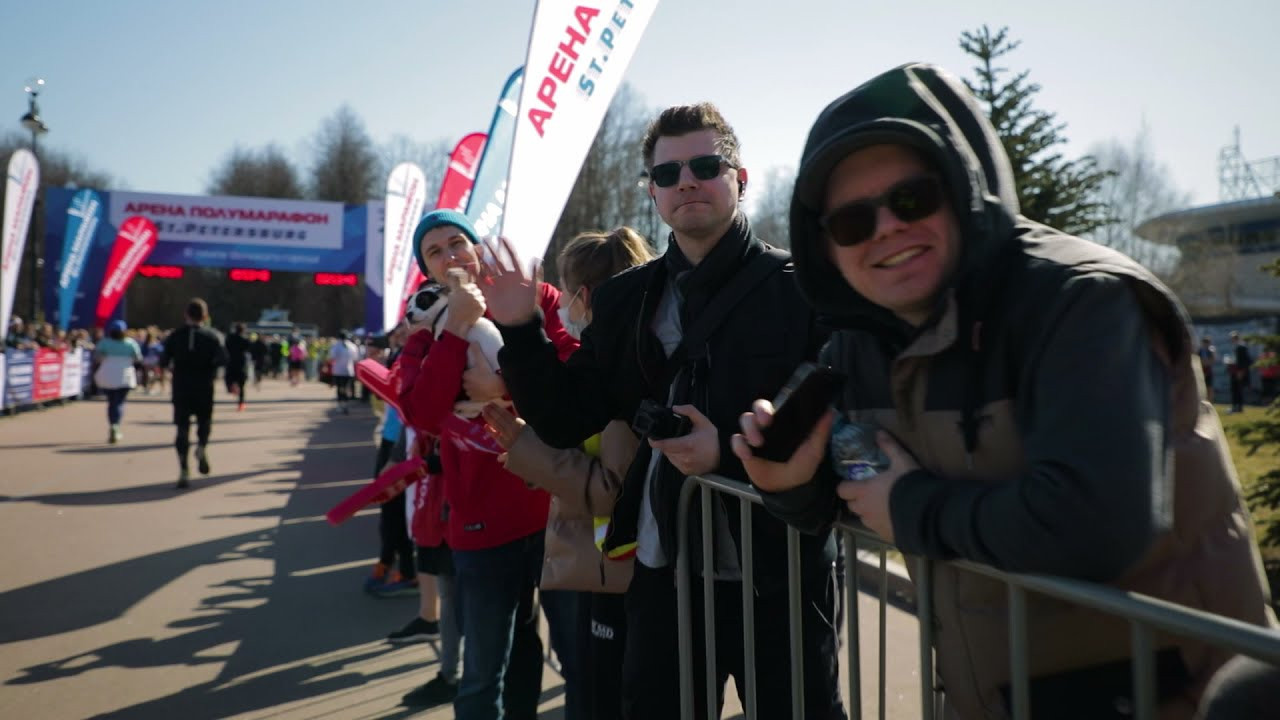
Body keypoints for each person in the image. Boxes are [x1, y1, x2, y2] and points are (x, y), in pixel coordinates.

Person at [733, 63, 1276, 719]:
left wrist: (909, 506)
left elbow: (1098, 523)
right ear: (825, 245)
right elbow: (863, 488)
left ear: (964, 191)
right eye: (852, 222)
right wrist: (791, 484)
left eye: (912, 199)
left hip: (1175, 695)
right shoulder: (858, 342)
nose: (886, 228)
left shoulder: (1081, 302)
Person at [480, 103, 844, 720]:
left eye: (706, 166)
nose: (687, 182)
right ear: (652, 192)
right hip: (665, 575)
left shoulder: (799, 286)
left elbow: (838, 420)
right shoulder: (625, 299)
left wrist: (725, 453)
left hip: (781, 574)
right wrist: (520, 328)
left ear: (740, 179)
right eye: (668, 173)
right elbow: (566, 418)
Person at [396, 209, 578, 719]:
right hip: (481, 523)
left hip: (556, 512)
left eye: (457, 242)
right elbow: (420, 413)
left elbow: (575, 370)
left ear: (477, 248)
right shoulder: (426, 331)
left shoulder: (532, 297)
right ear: (429, 271)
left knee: (569, 657)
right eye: (435, 252)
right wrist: (456, 327)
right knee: (483, 672)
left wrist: (506, 385)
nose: (450, 256)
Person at [481, 227, 652, 720]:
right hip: (600, 571)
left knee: (599, 698)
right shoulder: (602, 361)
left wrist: (527, 450)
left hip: (616, 576)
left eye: (567, 289)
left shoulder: (621, 371)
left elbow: (613, 492)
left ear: (586, 296)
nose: (563, 303)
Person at [161, 298, 228, 489]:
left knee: (182, 426)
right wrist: (210, 367)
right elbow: (223, 359)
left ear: (186, 315)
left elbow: (164, 360)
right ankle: (201, 446)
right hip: (204, 385)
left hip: (181, 385)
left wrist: (175, 365)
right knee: (204, 421)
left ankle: (183, 467)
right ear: (205, 316)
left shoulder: (175, 335)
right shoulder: (213, 336)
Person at [93, 319, 142, 444]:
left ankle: (113, 424)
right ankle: (116, 425)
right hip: (124, 375)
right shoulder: (130, 343)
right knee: (119, 402)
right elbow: (138, 358)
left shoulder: (104, 342)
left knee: (111, 402)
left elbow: (97, 357)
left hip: (108, 375)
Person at [327, 331, 358, 414]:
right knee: (346, 388)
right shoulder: (352, 346)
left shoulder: (336, 346)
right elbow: (355, 358)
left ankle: (340, 405)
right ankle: (346, 404)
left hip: (338, 371)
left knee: (340, 388)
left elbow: (332, 357)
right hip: (349, 371)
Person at [224, 323, 250, 411]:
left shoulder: (230, 338)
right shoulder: (245, 339)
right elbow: (248, 348)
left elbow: (225, 347)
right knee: (242, 385)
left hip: (231, 361)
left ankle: (232, 388)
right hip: (241, 363)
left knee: (229, 378)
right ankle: (241, 403)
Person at [1227, 330, 1252, 413]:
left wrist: (1241, 371)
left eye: (1233, 338)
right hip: (1233, 371)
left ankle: (1239, 407)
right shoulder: (1234, 347)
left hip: (1239, 372)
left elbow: (1246, 361)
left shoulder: (1242, 347)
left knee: (1239, 390)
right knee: (1234, 389)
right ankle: (1234, 406)